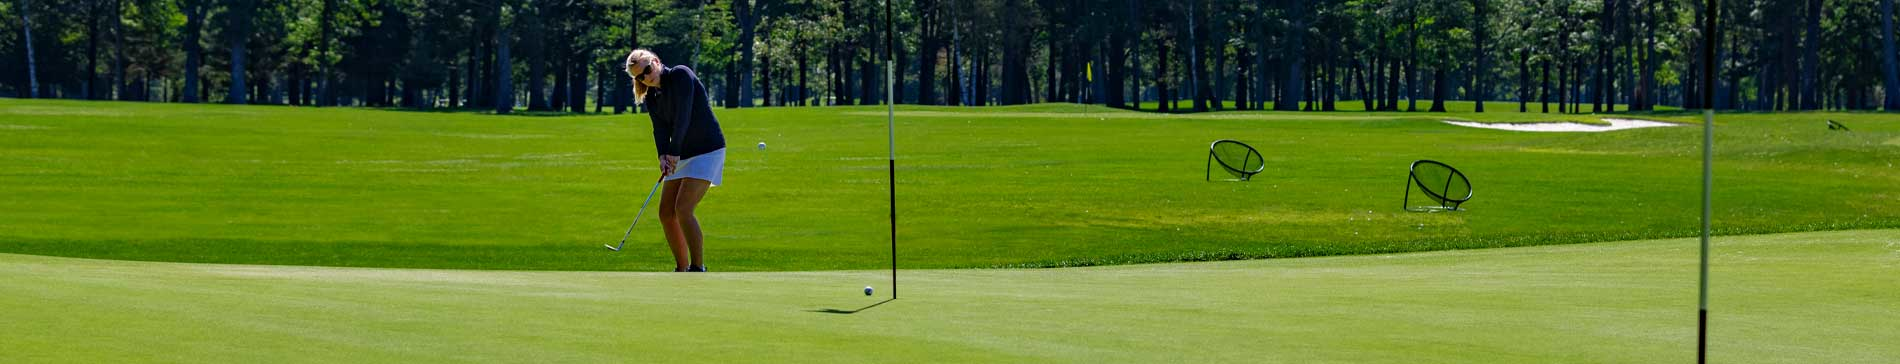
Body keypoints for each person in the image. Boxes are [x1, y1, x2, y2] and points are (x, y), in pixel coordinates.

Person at [626, 49, 726, 272]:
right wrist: (662, 156)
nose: (646, 77)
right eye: (640, 76)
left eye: (648, 70)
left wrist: (673, 152)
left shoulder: (681, 75)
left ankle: (697, 267)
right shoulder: (652, 97)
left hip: (708, 149)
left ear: (656, 61)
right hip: (680, 152)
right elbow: (659, 129)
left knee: (683, 208)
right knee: (666, 212)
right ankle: (681, 269)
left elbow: (684, 116)